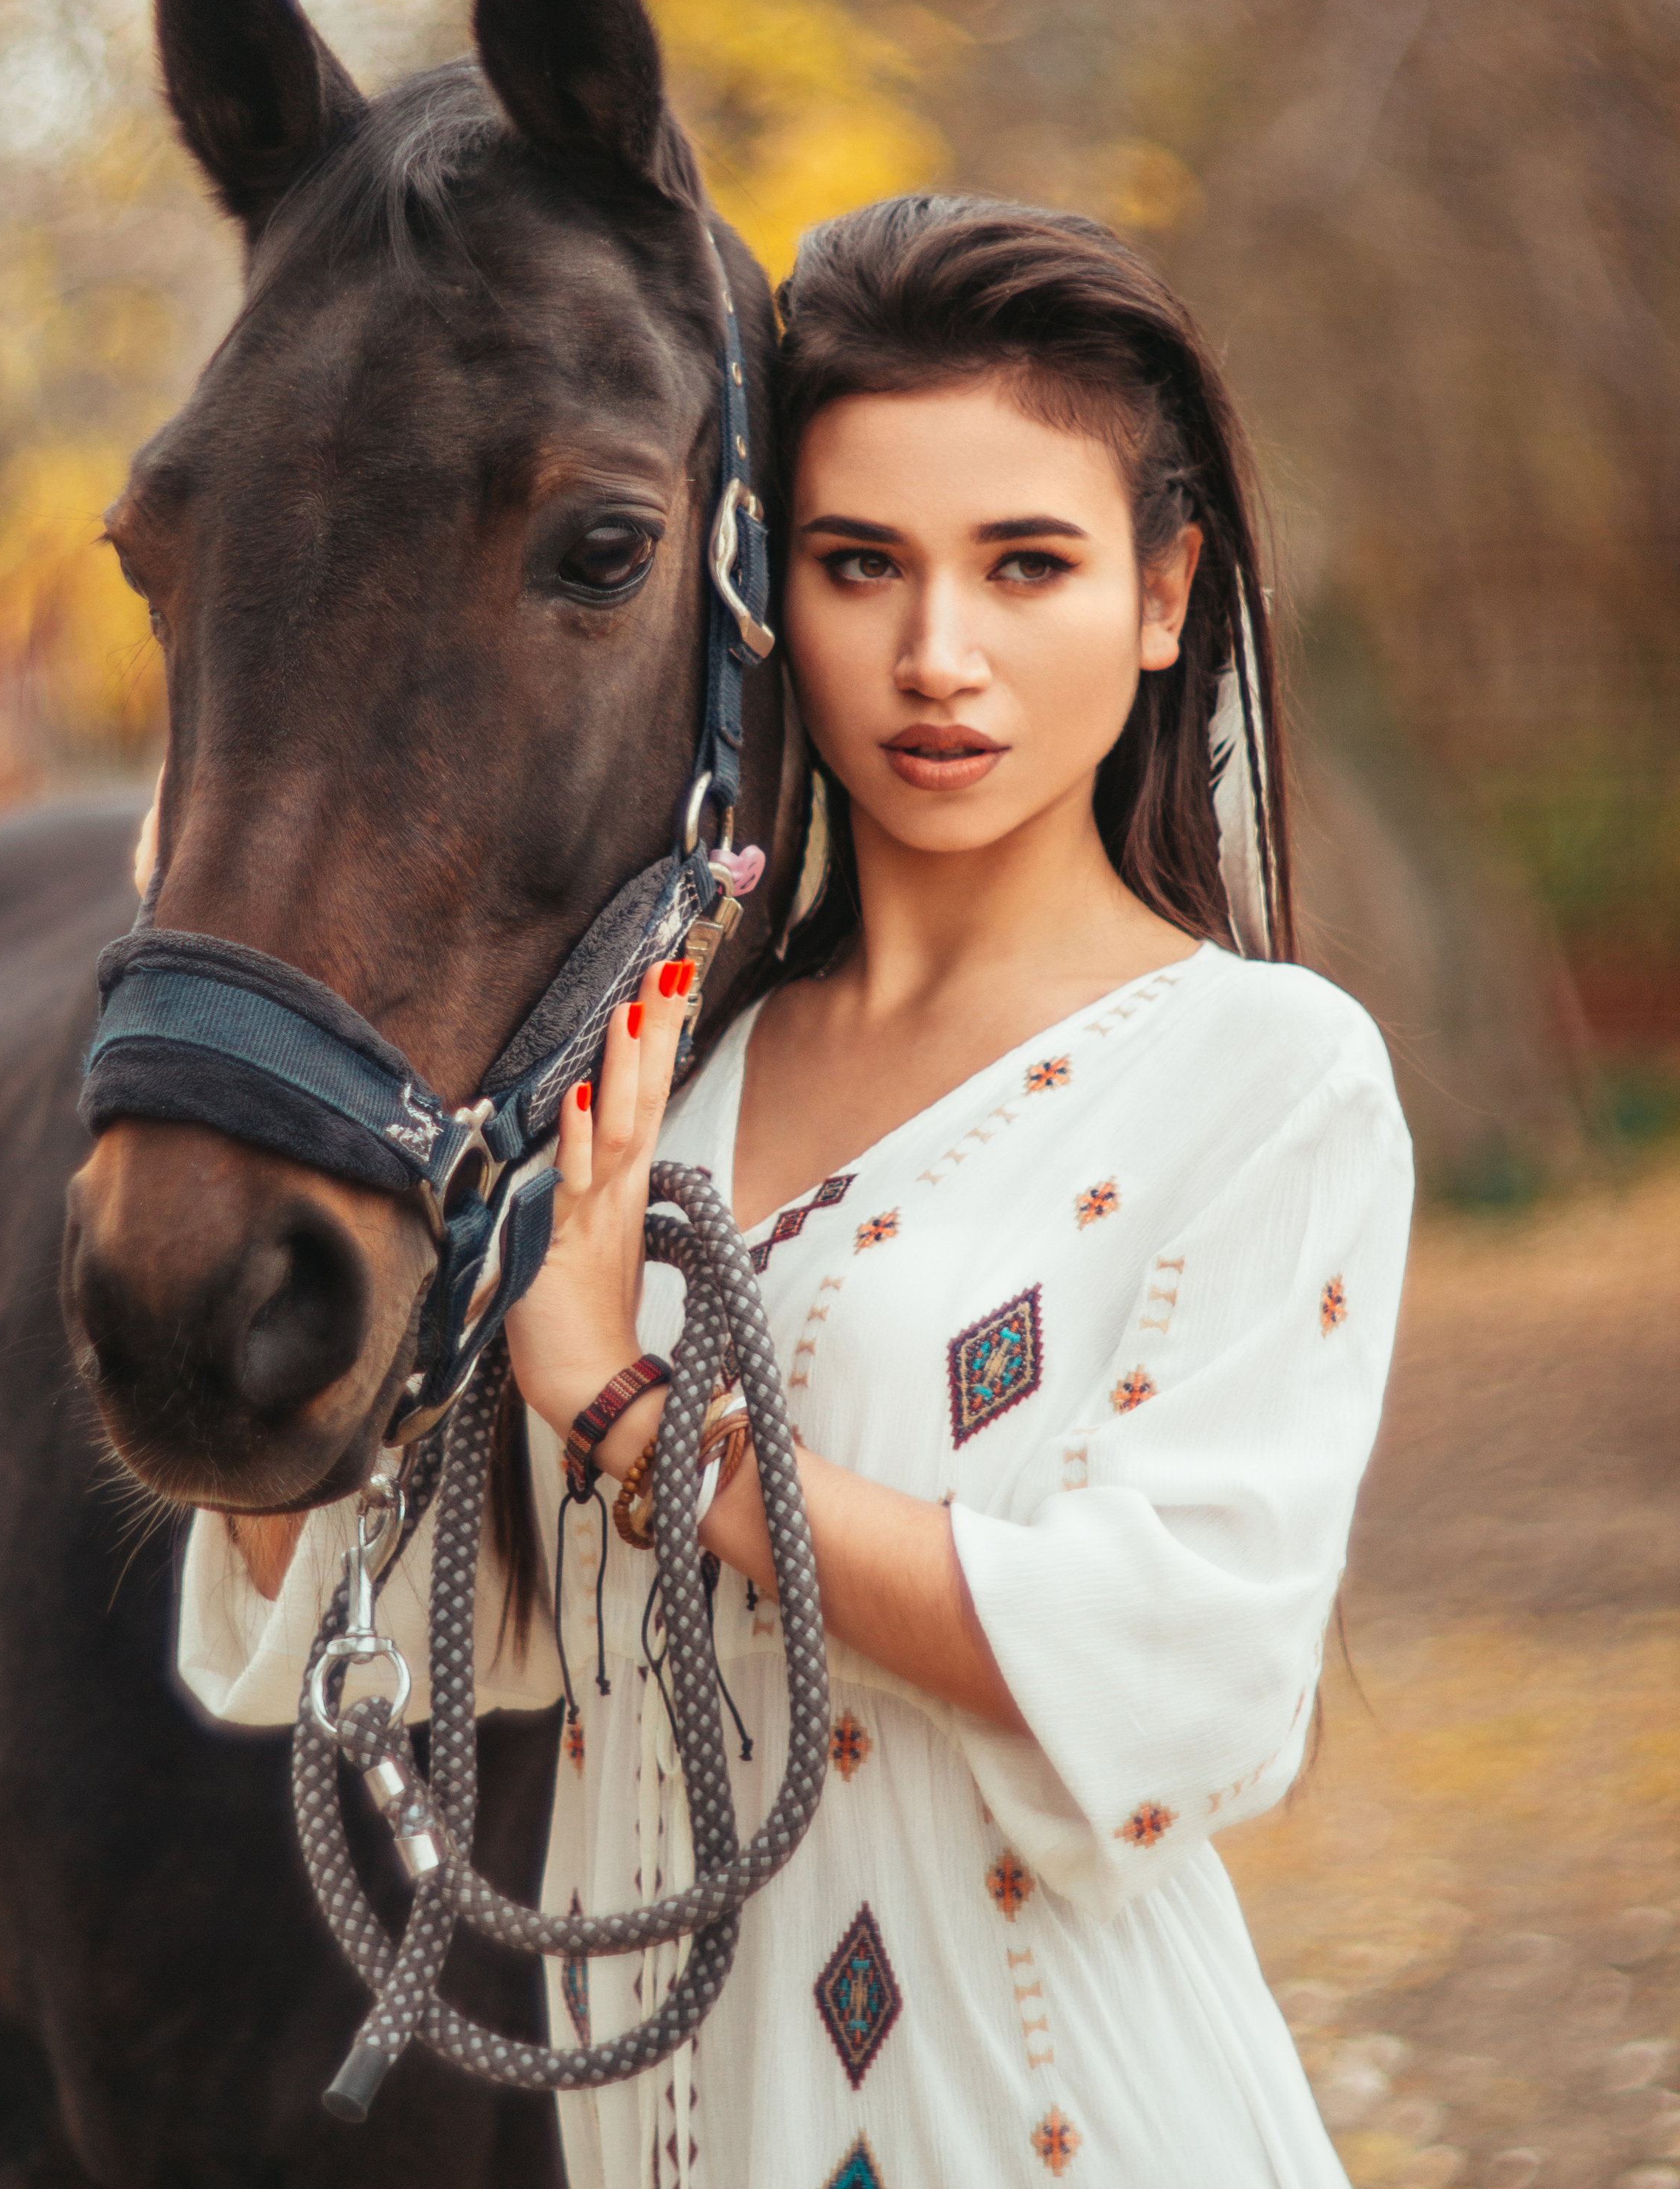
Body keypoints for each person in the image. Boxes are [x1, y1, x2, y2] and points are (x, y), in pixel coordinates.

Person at [179, 195, 1413, 2188]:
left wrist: (637, 1420)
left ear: (1165, 594)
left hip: (1054, 2123)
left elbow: (1184, 1681)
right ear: (768, 600)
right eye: (861, 566)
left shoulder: (1262, 1078)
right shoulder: (652, 1084)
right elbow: (436, 1630)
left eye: (1029, 564)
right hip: (666, 2129)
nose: (940, 658)